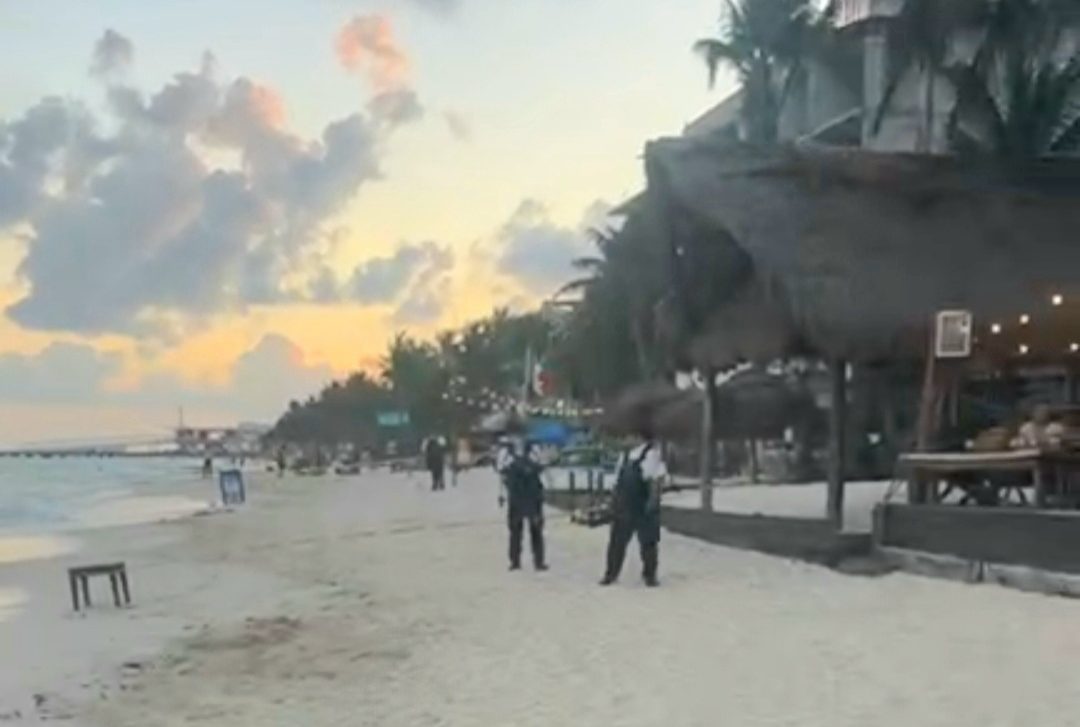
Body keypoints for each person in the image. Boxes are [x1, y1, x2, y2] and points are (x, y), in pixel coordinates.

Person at [600, 425, 667, 587]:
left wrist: (653, 501)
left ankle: (650, 575)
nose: (625, 440)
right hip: (623, 506)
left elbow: (656, 480)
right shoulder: (625, 456)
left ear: (638, 437)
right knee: (617, 541)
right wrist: (612, 500)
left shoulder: (651, 454)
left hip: (643, 504)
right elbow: (617, 481)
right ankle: (611, 573)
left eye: (628, 436)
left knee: (648, 542)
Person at [501, 440, 547, 571]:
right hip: (530, 499)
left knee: (518, 532)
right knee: (533, 532)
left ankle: (517, 561)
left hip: (520, 500)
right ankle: (536, 561)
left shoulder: (509, 457)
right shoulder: (533, 455)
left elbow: (504, 477)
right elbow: (542, 472)